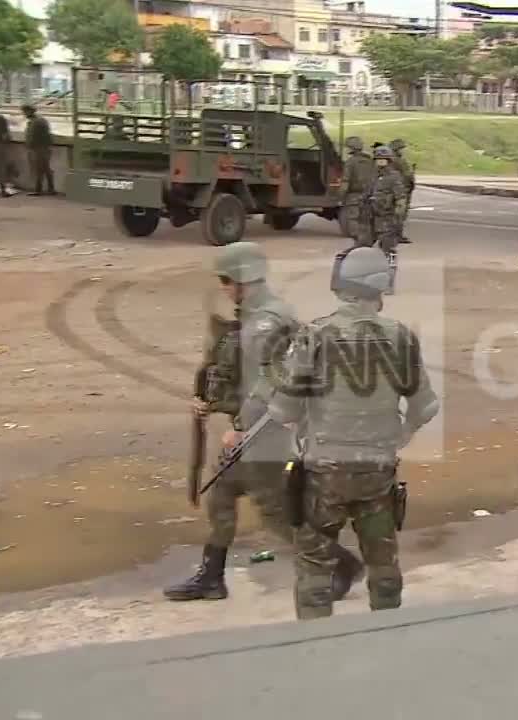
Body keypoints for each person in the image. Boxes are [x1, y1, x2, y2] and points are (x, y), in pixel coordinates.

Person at [164, 242, 364, 601]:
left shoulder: (266, 323)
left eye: (227, 279)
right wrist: (209, 401)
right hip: (251, 432)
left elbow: (271, 384)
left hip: (265, 436)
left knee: (277, 516)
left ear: (245, 280)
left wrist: (240, 428)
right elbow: (239, 375)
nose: (223, 287)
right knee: (221, 498)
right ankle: (211, 577)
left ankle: (340, 563)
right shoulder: (252, 317)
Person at [271, 247, 440, 619]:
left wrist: (305, 427)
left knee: (315, 568)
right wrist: (401, 435)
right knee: (384, 567)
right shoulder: (401, 338)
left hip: (323, 474)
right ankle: (385, 637)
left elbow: (283, 409)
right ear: (380, 288)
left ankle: (316, 646)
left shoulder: (313, 336)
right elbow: (425, 407)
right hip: (377, 472)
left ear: (341, 283)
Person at [359, 146, 408, 266]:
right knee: (363, 243)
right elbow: (366, 193)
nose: (380, 162)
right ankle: (365, 266)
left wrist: (398, 217)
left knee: (387, 245)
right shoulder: (372, 176)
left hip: (386, 216)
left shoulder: (394, 177)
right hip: (370, 215)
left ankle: (390, 266)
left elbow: (400, 198)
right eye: (378, 159)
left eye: (383, 159)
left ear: (389, 161)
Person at [341, 137, 375, 239]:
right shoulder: (370, 161)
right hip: (369, 194)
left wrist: (341, 195)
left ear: (351, 148)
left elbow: (346, 180)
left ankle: (357, 237)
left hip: (354, 194)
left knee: (353, 217)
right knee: (367, 216)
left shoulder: (350, 162)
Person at [22, 104, 55, 196]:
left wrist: (29, 146)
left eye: (25, 112)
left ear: (29, 111)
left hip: (39, 148)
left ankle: (39, 189)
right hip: (43, 147)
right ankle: (50, 189)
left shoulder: (36, 122)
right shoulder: (40, 120)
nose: (24, 114)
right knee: (45, 168)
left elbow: (32, 137)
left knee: (40, 169)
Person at [389, 139, 415, 244]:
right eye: (401, 149)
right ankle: (397, 235)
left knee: (393, 213)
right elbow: (407, 175)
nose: (402, 151)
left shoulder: (388, 159)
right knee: (400, 213)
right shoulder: (399, 161)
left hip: (393, 190)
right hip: (402, 189)